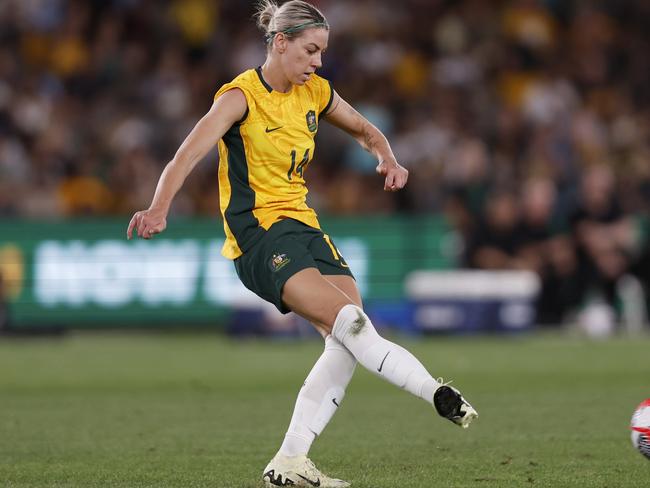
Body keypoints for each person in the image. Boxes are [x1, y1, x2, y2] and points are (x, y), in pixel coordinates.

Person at [126, 1, 478, 486]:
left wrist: (387, 157)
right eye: (310, 50)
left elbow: (364, 128)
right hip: (259, 235)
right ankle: (434, 392)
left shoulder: (315, 93)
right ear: (280, 42)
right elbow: (187, 154)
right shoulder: (240, 97)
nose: (317, 62)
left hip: (305, 227)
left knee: (347, 341)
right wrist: (159, 207)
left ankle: (289, 462)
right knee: (353, 324)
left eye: (323, 52)